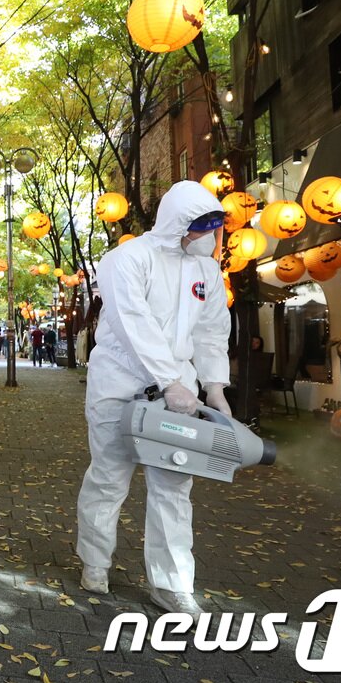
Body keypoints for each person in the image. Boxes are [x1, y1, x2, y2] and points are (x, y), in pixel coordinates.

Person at [75, 180, 231, 619]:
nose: (208, 237)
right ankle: (95, 563)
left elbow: (211, 329)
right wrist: (168, 380)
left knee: (174, 488)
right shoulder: (127, 259)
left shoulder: (207, 271)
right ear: (177, 224)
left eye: (213, 228)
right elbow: (132, 321)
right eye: (200, 228)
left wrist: (215, 385)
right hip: (120, 382)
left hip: (178, 392)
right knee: (109, 476)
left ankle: (172, 584)